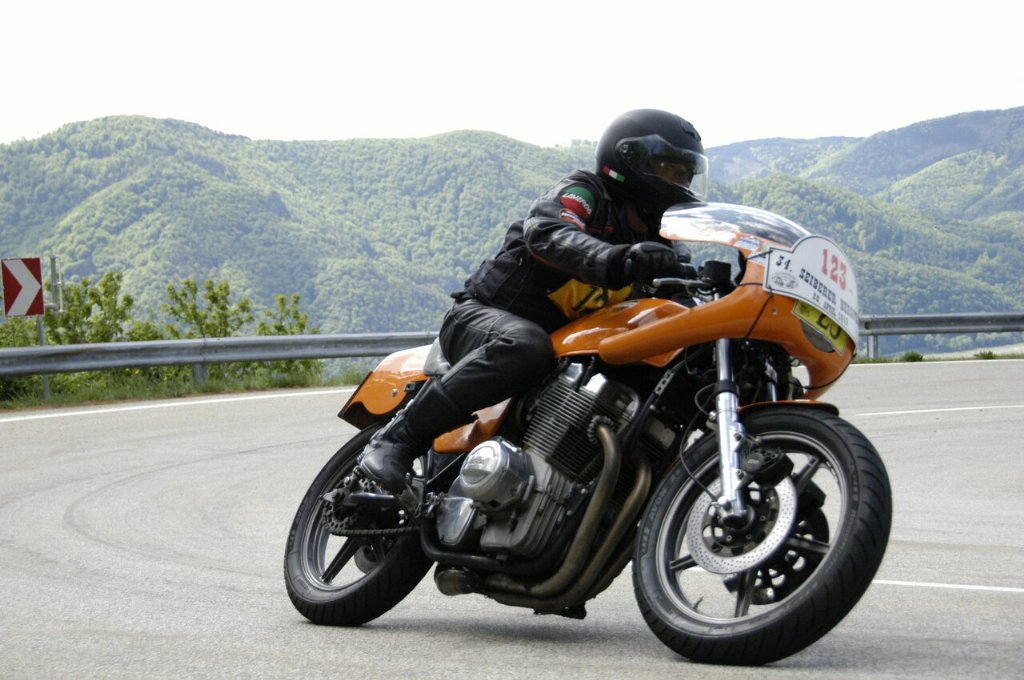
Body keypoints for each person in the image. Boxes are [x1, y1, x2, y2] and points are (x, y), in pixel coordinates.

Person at [358, 109, 709, 493]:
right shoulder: (586, 194)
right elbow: (548, 230)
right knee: (524, 345)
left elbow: (678, 301)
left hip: (564, 353)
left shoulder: (662, 240)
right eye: (670, 169)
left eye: (686, 174)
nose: (680, 182)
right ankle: (395, 441)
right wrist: (615, 259)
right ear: (630, 160)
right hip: (484, 317)